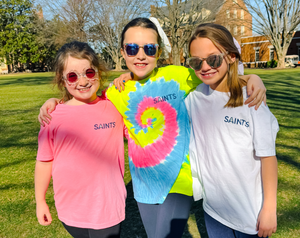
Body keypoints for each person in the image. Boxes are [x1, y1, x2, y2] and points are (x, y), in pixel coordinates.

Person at [38, 18, 267, 238]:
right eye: (132, 49)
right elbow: (87, 103)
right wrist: (55, 102)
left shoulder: (179, 76)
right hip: (143, 182)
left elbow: (218, 75)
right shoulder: (116, 91)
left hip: (178, 178)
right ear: (122, 52)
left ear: (158, 52)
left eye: (148, 48)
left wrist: (251, 77)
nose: (140, 55)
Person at [185, 23, 278, 238]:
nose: (205, 67)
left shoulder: (252, 100)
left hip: (251, 215)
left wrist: (269, 209)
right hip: (214, 211)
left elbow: (268, 157)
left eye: (213, 59)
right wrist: (128, 77)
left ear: (232, 56)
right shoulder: (194, 99)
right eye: (195, 62)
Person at [35, 41, 126, 238]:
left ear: (99, 72)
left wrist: (127, 76)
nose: (82, 81)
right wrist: (40, 201)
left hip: (107, 206)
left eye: (89, 73)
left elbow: (139, 90)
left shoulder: (115, 106)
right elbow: (44, 161)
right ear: (63, 80)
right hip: (70, 209)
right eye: (73, 76)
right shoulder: (52, 116)